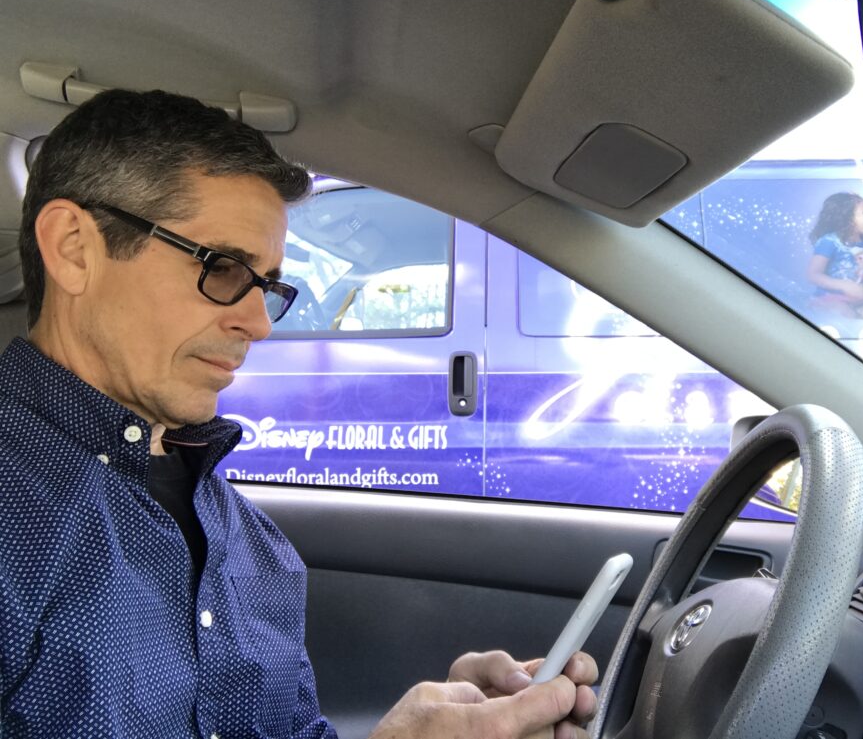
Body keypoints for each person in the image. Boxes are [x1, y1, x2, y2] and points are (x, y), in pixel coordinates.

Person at [0, 89, 597, 738]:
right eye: (223, 267)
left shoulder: (251, 541)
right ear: (73, 247)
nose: (258, 324)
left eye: (268, 287)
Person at [807, 192, 863, 323]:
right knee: (843, 315)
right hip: (830, 299)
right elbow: (814, 275)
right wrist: (845, 286)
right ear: (847, 218)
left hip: (861, 302)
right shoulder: (830, 242)